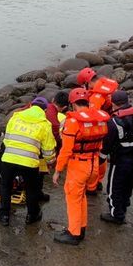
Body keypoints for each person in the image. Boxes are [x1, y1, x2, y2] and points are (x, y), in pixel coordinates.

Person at [52, 88, 110, 245]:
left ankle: (74, 233)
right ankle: (80, 227)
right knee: (81, 196)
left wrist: (58, 170)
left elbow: (66, 150)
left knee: (73, 198)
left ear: (72, 104)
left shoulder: (73, 122)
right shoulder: (97, 120)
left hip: (79, 166)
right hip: (93, 164)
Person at [0, 98, 56, 226]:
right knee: (31, 188)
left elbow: (6, 140)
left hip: (8, 158)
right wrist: (51, 161)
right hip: (29, 162)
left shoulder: (15, 117)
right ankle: (32, 215)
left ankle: (4, 215)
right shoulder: (45, 124)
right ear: (45, 110)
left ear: (30, 105)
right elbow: (48, 149)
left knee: (5, 186)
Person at [99, 90, 133, 224]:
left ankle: (116, 215)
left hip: (121, 159)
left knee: (115, 186)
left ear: (113, 104)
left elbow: (107, 145)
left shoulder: (114, 122)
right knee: (129, 183)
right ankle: (124, 205)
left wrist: (101, 159)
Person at [77, 67, 119, 194]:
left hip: (104, 127)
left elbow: (93, 116)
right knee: (103, 156)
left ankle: (93, 184)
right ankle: (98, 180)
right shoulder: (106, 84)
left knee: (97, 155)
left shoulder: (96, 96)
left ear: (87, 82)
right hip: (113, 122)